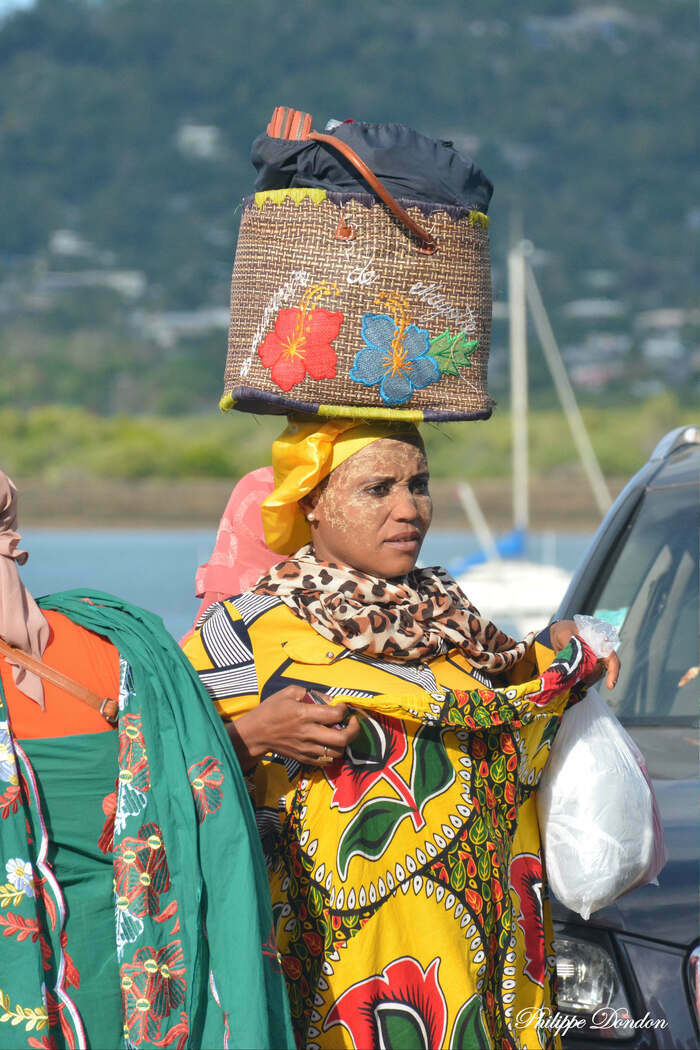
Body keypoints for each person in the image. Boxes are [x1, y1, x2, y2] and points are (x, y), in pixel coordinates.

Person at [183, 418, 619, 1050]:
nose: (408, 509)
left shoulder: (452, 617)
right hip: (342, 980)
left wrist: (558, 650)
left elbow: (509, 690)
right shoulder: (248, 631)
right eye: (377, 489)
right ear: (311, 505)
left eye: (419, 485)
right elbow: (156, 775)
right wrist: (248, 739)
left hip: (485, 967)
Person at [0, 471, 294, 1050]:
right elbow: (188, 797)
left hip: (116, 981)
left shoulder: (124, 646)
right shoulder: (123, 642)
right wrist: (250, 736)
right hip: (151, 980)